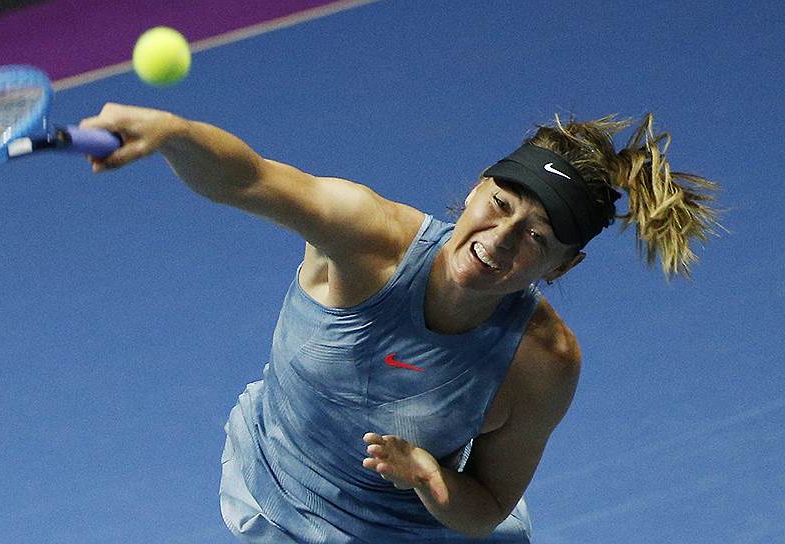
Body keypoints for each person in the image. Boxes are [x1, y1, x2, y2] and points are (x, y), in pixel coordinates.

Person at [79, 105, 720, 543]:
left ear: (563, 265)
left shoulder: (543, 363)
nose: (499, 239)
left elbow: (489, 505)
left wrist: (434, 481)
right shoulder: (365, 237)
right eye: (499, 205)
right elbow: (245, 178)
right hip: (277, 494)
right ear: (477, 189)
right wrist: (174, 133)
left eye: (536, 237)